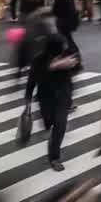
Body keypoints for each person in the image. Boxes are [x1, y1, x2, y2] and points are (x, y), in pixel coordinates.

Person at [26, 25, 80, 171]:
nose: (62, 51)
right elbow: (32, 81)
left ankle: (54, 157)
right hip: (46, 97)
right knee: (49, 121)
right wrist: (28, 100)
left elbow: (77, 65)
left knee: (60, 125)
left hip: (63, 96)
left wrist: (73, 63)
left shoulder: (67, 55)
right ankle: (47, 125)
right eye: (59, 49)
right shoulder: (39, 60)